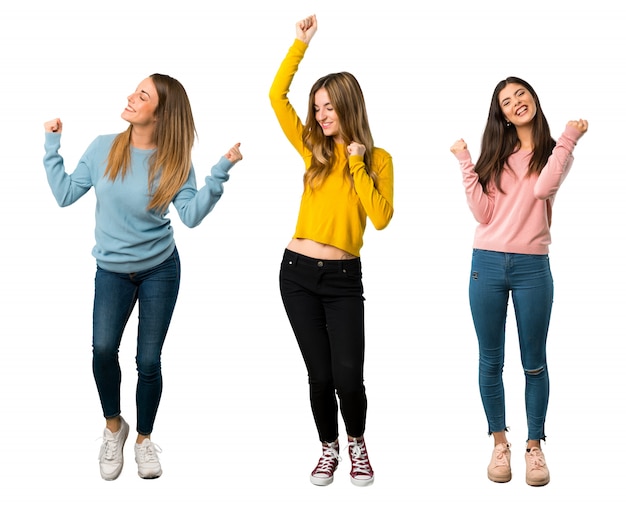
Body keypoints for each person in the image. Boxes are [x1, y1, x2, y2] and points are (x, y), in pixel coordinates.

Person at [43, 74, 242, 480]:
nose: (130, 98)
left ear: (160, 112)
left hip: (159, 269)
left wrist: (219, 173)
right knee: (102, 350)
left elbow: (189, 216)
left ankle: (144, 440)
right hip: (112, 271)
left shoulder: (174, 161)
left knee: (148, 360)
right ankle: (114, 427)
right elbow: (64, 195)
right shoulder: (104, 148)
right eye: (135, 91)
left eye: (142, 95)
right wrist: (52, 147)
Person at [269, 15, 393, 487]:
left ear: (347, 106)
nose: (321, 116)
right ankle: (328, 449)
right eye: (316, 108)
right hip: (296, 272)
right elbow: (275, 97)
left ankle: (357, 443)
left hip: (343, 280)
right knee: (319, 376)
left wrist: (358, 162)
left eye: (328, 107)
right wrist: (299, 45)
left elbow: (380, 218)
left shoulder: (378, 159)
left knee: (349, 377)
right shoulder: (311, 150)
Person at [450, 77, 588, 486]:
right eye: (506, 102)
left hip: (532, 267)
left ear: (533, 98)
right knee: (490, 361)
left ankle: (534, 447)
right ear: (503, 115)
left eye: (520, 95)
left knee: (534, 363)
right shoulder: (496, 155)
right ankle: (498, 443)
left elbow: (543, 187)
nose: (515, 104)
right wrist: (465, 162)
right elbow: (483, 213)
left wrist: (569, 137)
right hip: (487, 263)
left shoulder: (554, 153)